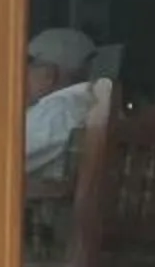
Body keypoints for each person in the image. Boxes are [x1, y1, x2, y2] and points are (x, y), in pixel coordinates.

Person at [22, 27, 103, 187]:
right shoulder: (90, 105)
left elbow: (1, 161)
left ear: (49, 73)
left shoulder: (59, 109)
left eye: (28, 67)